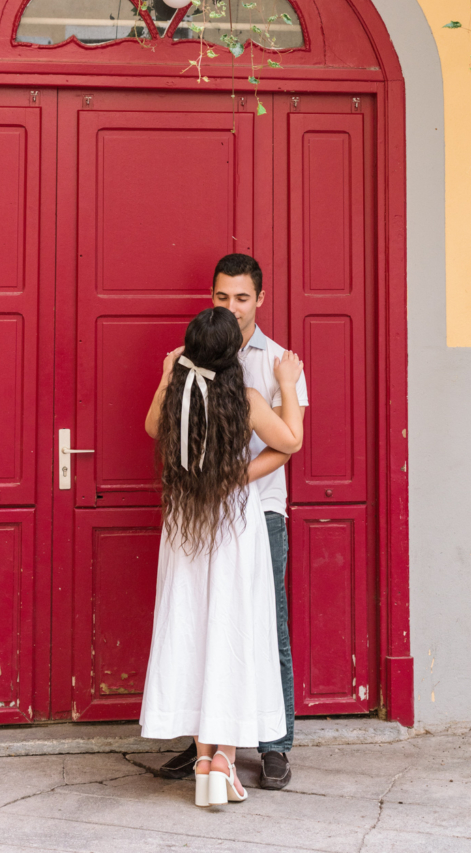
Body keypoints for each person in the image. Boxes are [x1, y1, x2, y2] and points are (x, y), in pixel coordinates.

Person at [139, 306, 305, 809]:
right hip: (233, 522)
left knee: (195, 628)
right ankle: (224, 760)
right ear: (233, 352)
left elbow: (151, 429)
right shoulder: (246, 397)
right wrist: (288, 382)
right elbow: (290, 441)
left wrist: (169, 375)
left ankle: (207, 759)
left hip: (186, 524)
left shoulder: (175, 394)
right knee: (232, 629)